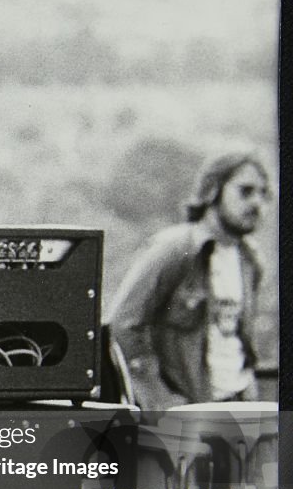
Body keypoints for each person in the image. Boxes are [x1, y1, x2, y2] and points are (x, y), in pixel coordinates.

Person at [108, 152, 272, 410]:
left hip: (237, 407)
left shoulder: (250, 260)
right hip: (187, 414)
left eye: (264, 194)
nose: (257, 203)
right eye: (246, 191)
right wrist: (162, 402)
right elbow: (123, 324)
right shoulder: (177, 248)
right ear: (213, 190)